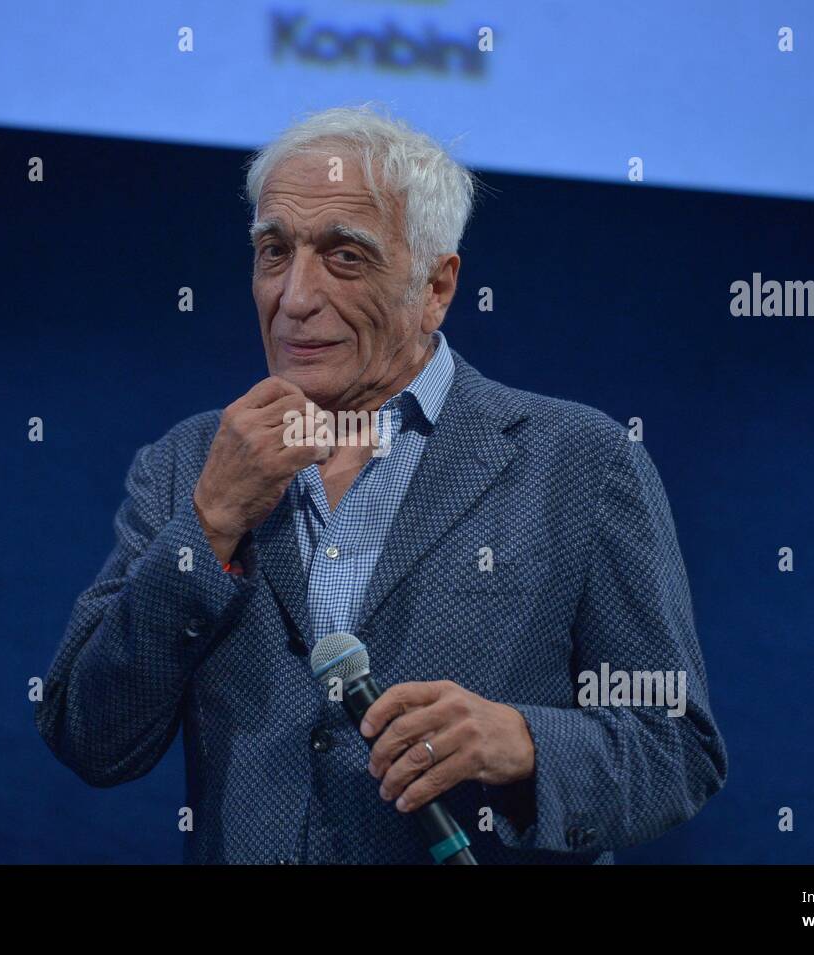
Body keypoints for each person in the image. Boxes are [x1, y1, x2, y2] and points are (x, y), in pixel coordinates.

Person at [35, 105, 727, 864]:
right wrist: (207, 526)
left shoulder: (579, 461)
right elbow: (90, 736)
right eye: (274, 251)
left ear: (436, 286)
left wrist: (524, 741)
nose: (294, 297)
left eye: (344, 257)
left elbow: (676, 746)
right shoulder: (188, 464)